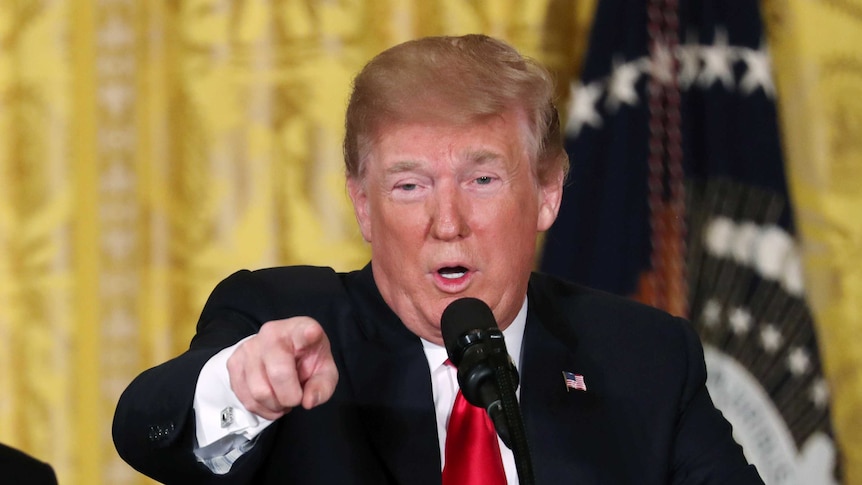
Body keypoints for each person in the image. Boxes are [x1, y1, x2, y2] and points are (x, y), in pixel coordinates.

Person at [112, 34, 762, 484]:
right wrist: (242, 384)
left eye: (482, 180)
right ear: (363, 205)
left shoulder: (642, 355)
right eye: (409, 185)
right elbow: (146, 426)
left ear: (548, 193)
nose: (445, 223)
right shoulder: (283, 320)